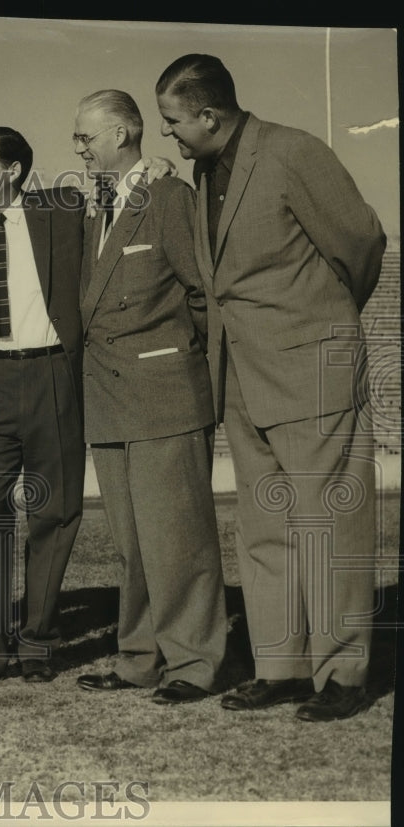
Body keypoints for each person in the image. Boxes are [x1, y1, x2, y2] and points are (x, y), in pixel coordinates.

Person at [156, 54, 385, 721]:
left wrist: (319, 328)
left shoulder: (292, 153)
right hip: (243, 379)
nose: (168, 132)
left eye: (173, 120)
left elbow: (362, 242)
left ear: (208, 113)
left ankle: (344, 675)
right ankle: (281, 667)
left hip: (313, 371)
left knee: (328, 526)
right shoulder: (204, 172)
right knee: (266, 529)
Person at [70, 90, 227, 704]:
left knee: (178, 538)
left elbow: (201, 295)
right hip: (108, 399)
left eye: (85, 137)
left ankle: (195, 663)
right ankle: (140, 657)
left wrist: (176, 362)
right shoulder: (94, 206)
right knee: (135, 542)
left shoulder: (168, 197)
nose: (78, 148)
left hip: (164, 395)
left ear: (122, 134)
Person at [0, 127, 86, 687]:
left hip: (53, 371)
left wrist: (152, 167)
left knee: (52, 513)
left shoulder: (62, 210)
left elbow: (114, 194)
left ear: (11, 169)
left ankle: (36, 641)